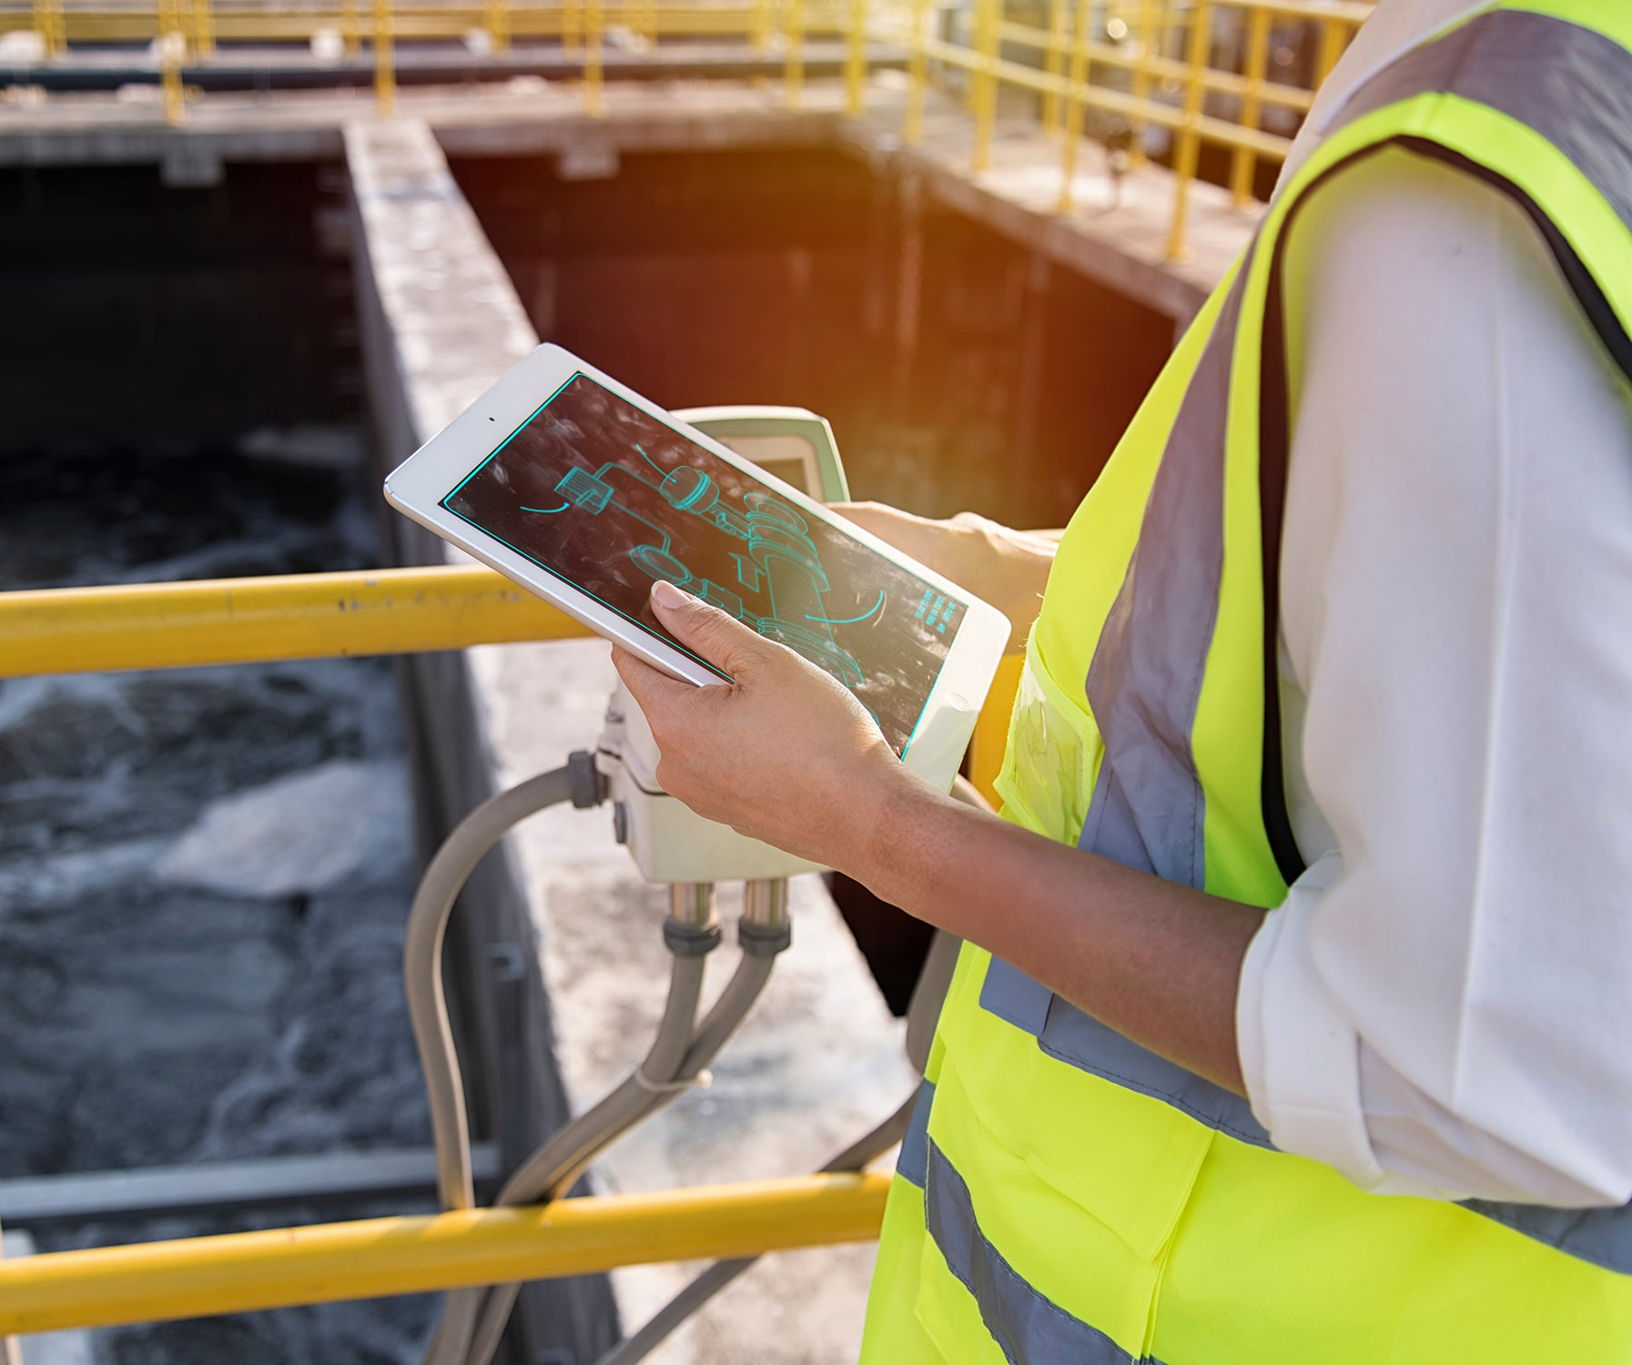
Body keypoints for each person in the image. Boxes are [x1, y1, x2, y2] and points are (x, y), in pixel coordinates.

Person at [610, 0, 1632, 1358]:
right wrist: (968, 565)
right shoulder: (1511, 101)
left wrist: (869, 823)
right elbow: (1343, 610)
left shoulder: (1469, 183)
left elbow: (1486, 1066)